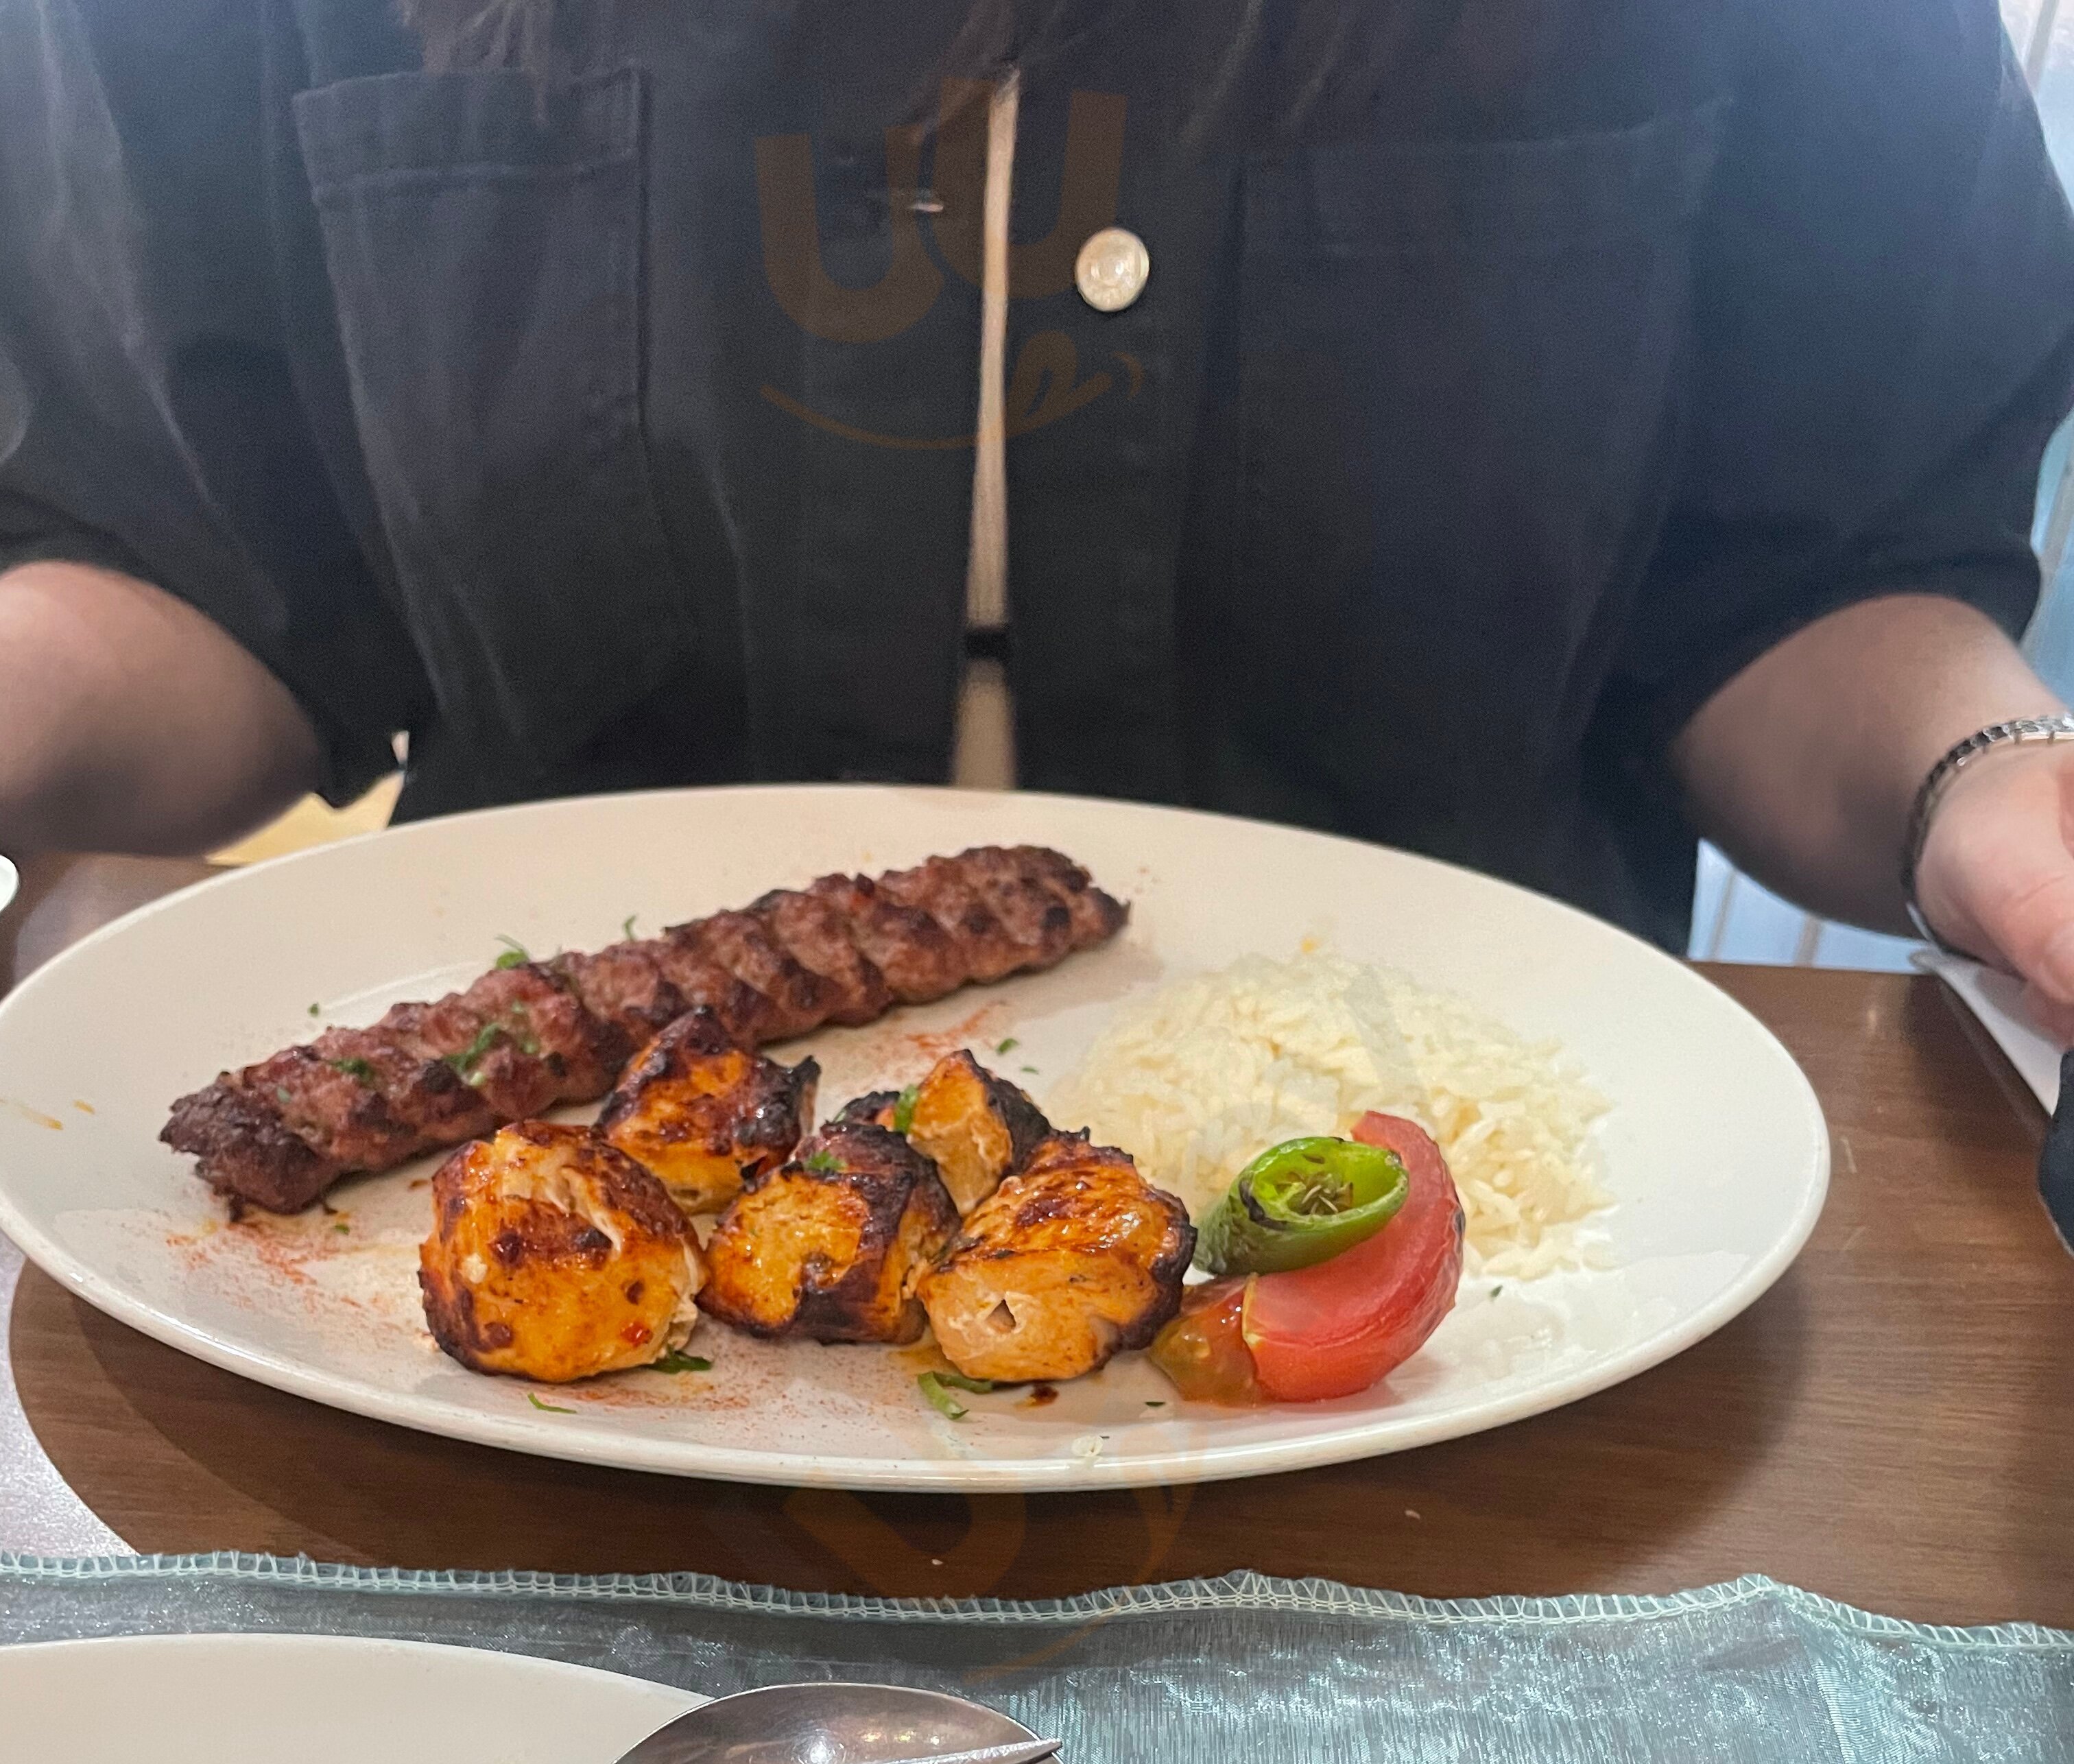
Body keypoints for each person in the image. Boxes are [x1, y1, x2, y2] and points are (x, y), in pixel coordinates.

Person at [3, 0, 2074, 1025]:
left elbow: (1809, 587)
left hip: (1481, 1220)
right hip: (499, 1210)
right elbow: (195, 566)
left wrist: (1986, 783)